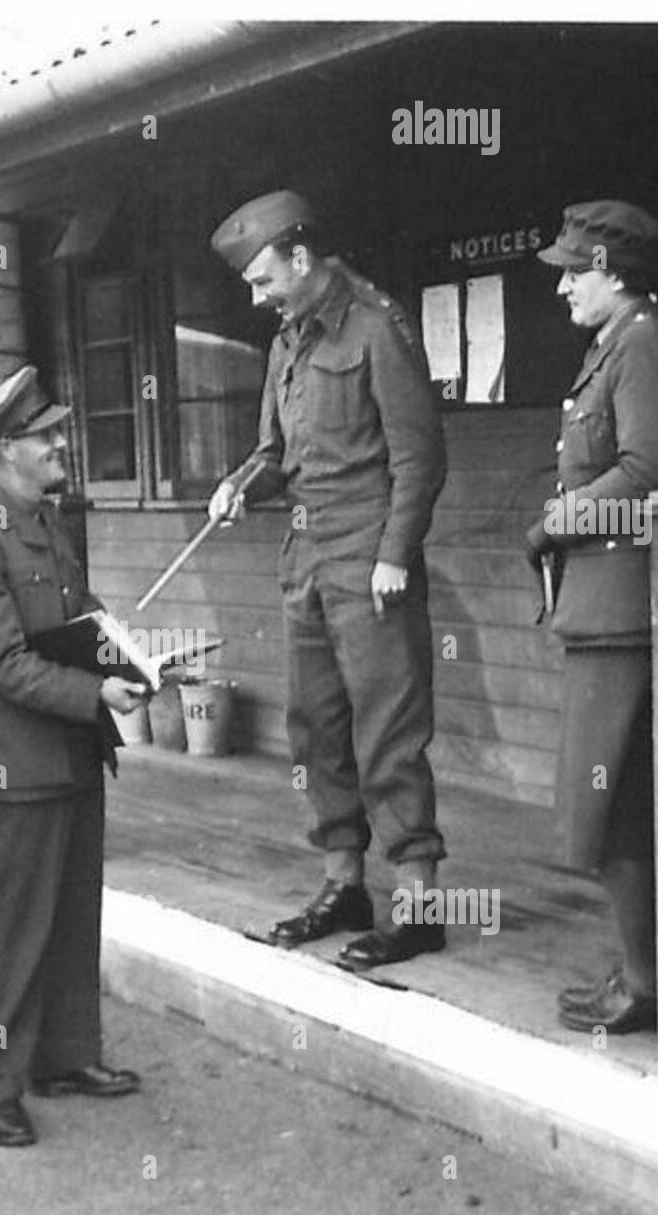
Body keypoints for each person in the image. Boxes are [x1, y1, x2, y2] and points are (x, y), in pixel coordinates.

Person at [207, 190, 448, 968]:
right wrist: (241, 483)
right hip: (305, 561)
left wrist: (392, 554)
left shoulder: (376, 327)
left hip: (369, 561)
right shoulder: (286, 343)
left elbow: (419, 457)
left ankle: (418, 903)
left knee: (388, 729)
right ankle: (344, 883)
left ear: (302, 259)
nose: (258, 295)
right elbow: (276, 453)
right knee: (315, 727)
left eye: (264, 278)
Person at [0, 365, 145, 1148]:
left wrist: (132, 661)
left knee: (69, 913)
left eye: (56, 430)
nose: (61, 442)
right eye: (44, 435)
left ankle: (65, 1058)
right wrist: (98, 695)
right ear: (3, 450)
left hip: (70, 752)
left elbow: (76, 621)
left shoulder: (46, 521)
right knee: (12, 929)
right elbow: (10, 667)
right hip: (18, 759)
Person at [525, 201, 658, 1034]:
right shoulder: (611, 346)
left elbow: (646, 469)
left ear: (613, 274)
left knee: (614, 803)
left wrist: (558, 520)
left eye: (572, 271)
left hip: (624, 608)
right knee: (609, 807)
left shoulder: (642, 343)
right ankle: (641, 974)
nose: (561, 287)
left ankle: (649, 984)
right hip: (599, 609)